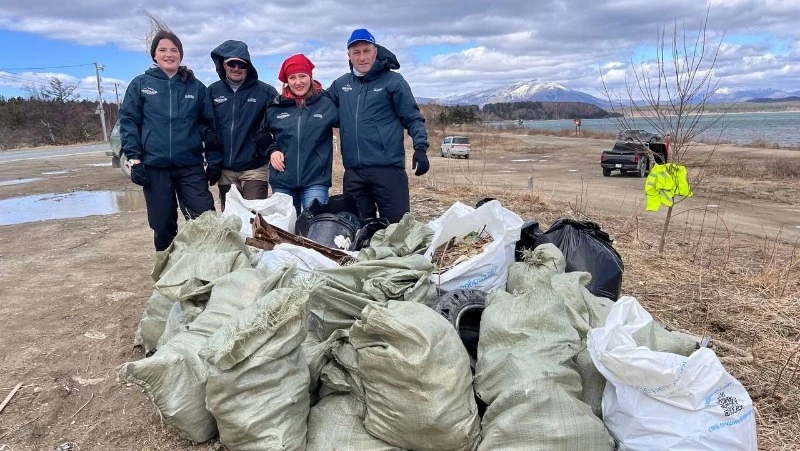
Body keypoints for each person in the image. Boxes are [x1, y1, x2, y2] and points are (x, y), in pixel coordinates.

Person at [119, 27, 221, 251]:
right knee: (163, 224)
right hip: (155, 167)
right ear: (154, 55)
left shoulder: (195, 87)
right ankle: (166, 272)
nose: (169, 54)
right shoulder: (141, 85)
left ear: (181, 55)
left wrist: (214, 159)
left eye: (174, 50)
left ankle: (204, 270)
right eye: (162, 49)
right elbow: (129, 122)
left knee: (205, 220)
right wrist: (134, 159)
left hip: (190, 166)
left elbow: (208, 127)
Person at [327, 28, 429, 223]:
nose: (362, 57)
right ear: (349, 55)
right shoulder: (341, 85)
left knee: (396, 230)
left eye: (366, 51)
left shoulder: (393, 81)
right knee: (358, 231)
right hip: (354, 173)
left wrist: (421, 147)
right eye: (356, 52)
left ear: (375, 51)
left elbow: (412, 117)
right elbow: (320, 107)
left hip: (388, 170)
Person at [258, 53, 338, 214]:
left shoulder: (326, 103)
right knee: (285, 231)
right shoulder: (276, 106)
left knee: (313, 229)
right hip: (282, 179)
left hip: (316, 179)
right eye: (292, 77)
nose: (298, 82)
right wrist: (272, 151)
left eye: (302, 76)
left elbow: (351, 124)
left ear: (310, 77)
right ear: (286, 80)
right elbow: (262, 134)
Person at [208, 40, 279, 211]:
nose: (237, 68)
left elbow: (280, 123)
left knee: (253, 218)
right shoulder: (212, 92)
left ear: (249, 66)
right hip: (225, 170)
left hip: (254, 167)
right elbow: (205, 125)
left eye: (242, 64)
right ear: (223, 65)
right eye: (232, 63)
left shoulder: (266, 92)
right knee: (232, 222)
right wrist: (211, 160)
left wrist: (269, 146)